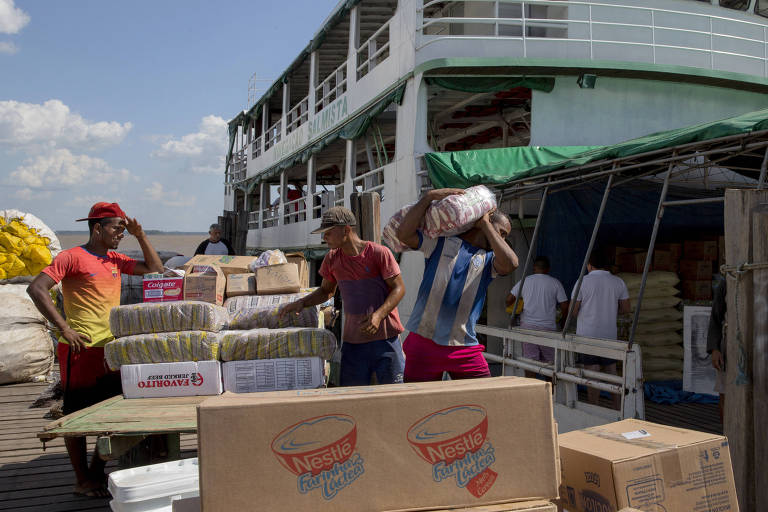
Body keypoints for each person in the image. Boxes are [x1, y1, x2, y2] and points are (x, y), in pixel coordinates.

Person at [26, 202, 163, 498]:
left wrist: (141, 235)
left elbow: (155, 269)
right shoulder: (71, 257)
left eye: (123, 229)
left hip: (111, 350)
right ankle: (82, 480)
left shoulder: (114, 259)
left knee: (112, 412)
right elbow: (36, 289)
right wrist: (64, 328)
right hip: (80, 348)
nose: (120, 234)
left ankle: (96, 471)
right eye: (116, 228)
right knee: (75, 415)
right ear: (97, 228)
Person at [396, 188, 518, 382]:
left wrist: (486, 225)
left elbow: (511, 264)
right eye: (501, 233)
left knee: (483, 402)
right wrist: (428, 198)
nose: (501, 240)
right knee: (416, 406)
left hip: (464, 346)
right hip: (423, 342)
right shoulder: (440, 243)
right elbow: (403, 234)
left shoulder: (490, 260)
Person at [280, 207, 406, 386]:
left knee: (395, 395)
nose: (324, 238)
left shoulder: (379, 253)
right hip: (353, 343)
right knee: (351, 399)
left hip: (387, 340)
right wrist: (301, 303)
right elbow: (326, 291)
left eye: (328, 233)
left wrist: (378, 316)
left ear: (346, 230)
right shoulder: (332, 259)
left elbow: (399, 288)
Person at [571, 250, 631, 406]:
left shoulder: (582, 281)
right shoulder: (618, 282)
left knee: (592, 374)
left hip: (587, 335)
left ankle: (594, 406)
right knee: (612, 372)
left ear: (589, 265)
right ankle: (619, 408)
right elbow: (626, 308)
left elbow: (573, 311)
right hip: (609, 335)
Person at [506, 256, 568, 372]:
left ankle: (532, 388)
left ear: (534, 268)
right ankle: (549, 388)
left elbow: (508, 300)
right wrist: (563, 323)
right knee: (550, 365)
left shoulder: (525, 281)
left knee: (530, 363)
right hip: (548, 328)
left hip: (528, 328)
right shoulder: (555, 283)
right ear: (548, 269)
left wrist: (518, 306)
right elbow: (565, 306)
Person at [707, 278, 726, 422]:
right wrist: (714, 348)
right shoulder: (726, 282)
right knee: (725, 392)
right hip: (729, 345)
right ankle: (728, 433)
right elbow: (715, 318)